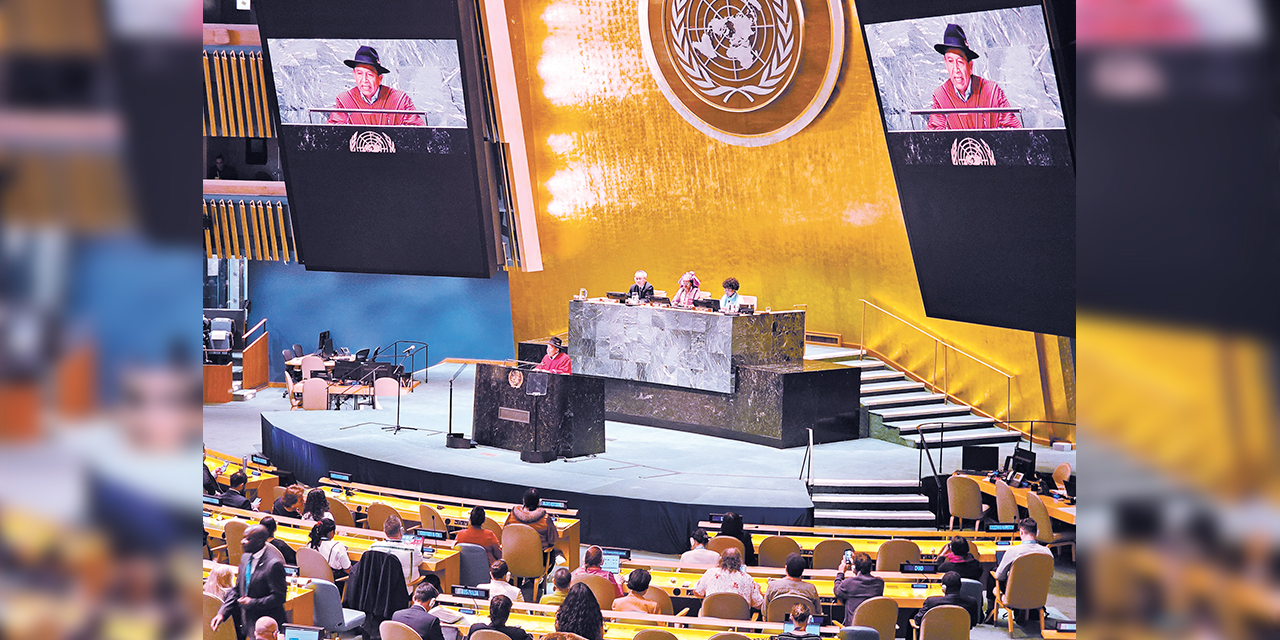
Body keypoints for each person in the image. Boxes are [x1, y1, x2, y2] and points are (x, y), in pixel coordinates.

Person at [926, 24, 1021, 130]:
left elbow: (1014, 132)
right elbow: (934, 138)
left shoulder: (992, 91)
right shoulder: (940, 96)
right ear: (945, 64)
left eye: (960, 62)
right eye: (950, 61)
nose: (956, 69)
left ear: (970, 66)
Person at [211, 525, 287, 639]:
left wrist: (252, 602)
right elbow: (237, 589)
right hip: (248, 623)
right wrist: (222, 612)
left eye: (247, 539)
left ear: (259, 541)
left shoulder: (274, 564)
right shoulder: (245, 558)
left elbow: (279, 597)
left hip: (267, 628)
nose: (242, 541)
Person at [327, 46, 425, 126]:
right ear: (354, 75)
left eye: (370, 74)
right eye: (359, 73)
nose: (364, 80)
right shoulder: (344, 101)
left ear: (380, 78)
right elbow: (332, 135)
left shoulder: (400, 100)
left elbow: (418, 134)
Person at [992, 517, 1053, 608]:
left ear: (1021, 532)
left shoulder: (1013, 551)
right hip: (1037, 596)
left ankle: (990, 613)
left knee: (993, 575)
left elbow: (999, 576)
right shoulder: (1047, 552)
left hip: (1014, 595)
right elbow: (1050, 575)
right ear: (1037, 532)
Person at [692, 548, 764, 610]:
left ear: (721, 559)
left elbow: (697, 592)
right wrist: (758, 590)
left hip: (712, 621)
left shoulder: (710, 573)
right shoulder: (748, 579)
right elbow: (758, 604)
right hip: (738, 623)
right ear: (740, 561)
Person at [913, 571, 981, 629]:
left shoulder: (931, 602)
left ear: (943, 588)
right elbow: (973, 623)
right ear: (960, 586)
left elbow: (918, 621)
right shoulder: (971, 602)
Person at [369, 513, 423, 584]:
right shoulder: (412, 550)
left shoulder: (373, 548)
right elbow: (420, 561)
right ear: (401, 530)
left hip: (379, 591)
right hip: (404, 592)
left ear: (384, 531)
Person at [833, 552, 883, 626]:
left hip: (853, 631)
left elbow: (837, 591)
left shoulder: (848, 583)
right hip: (872, 629)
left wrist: (841, 573)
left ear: (854, 568)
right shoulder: (879, 583)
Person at [504, 488, 558, 553]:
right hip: (538, 558)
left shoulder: (513, 514)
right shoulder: (545, 518)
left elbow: (504, 533)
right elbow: (553, 539)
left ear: (524, 501)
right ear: (539, 502)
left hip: (514, 556)